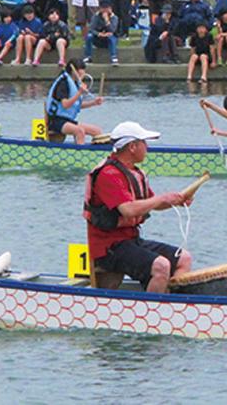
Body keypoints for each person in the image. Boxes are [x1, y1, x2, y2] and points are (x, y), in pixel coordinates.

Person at [84, 122, 197, 293]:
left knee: (183, 258)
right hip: (109, 248)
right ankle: (151, 313)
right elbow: (128, 210)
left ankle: (168, 304)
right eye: (144, 143)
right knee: (161, 266)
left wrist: (176, 201)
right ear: (132, 146)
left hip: (131, 240)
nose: (147, 148)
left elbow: (153, 203)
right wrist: (162, 198)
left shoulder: (134, 173)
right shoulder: (108, 174)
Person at [45, 59, 104, 144]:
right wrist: (79, 92)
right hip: (56, 121)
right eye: (81, 69)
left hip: (68, 120)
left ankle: (97, 155)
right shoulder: (63, 83)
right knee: (79, 131)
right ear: (74, 71)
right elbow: (65, 105)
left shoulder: (74, 83)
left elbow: (76, 105)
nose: (83, 72)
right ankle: (79, 155)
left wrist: (94, 103)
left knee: (96, 131)